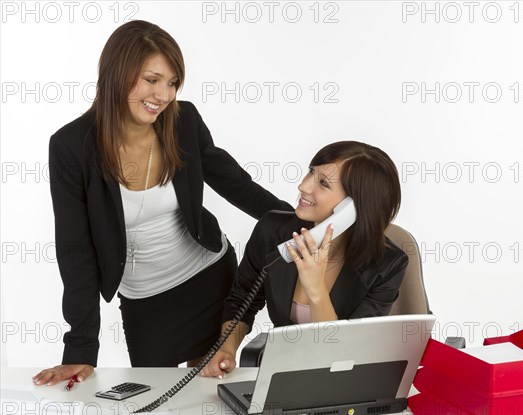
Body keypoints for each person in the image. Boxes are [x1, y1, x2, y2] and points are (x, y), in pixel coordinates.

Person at [33, 20, 291, 386]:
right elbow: (76, 252)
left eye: (172, 83)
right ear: (118, 74)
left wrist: (298, 221)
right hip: (145, 302)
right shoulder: (72, 146)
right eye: (152, 80)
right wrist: (80, 349)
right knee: (156, 407)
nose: (163, 95)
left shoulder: (182, 122)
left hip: (208, 279)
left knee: (206, 397)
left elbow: (236, 185)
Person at [201, 140, 408, 378]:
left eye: (323, 183)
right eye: (311, 172)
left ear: (353, 207)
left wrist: (316, 289)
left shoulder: (387, 265)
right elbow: (242, 300)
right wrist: (227, 348)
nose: (303, 186)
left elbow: (343, 352)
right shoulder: (273, 231)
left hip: (343, 377)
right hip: (283, 372)